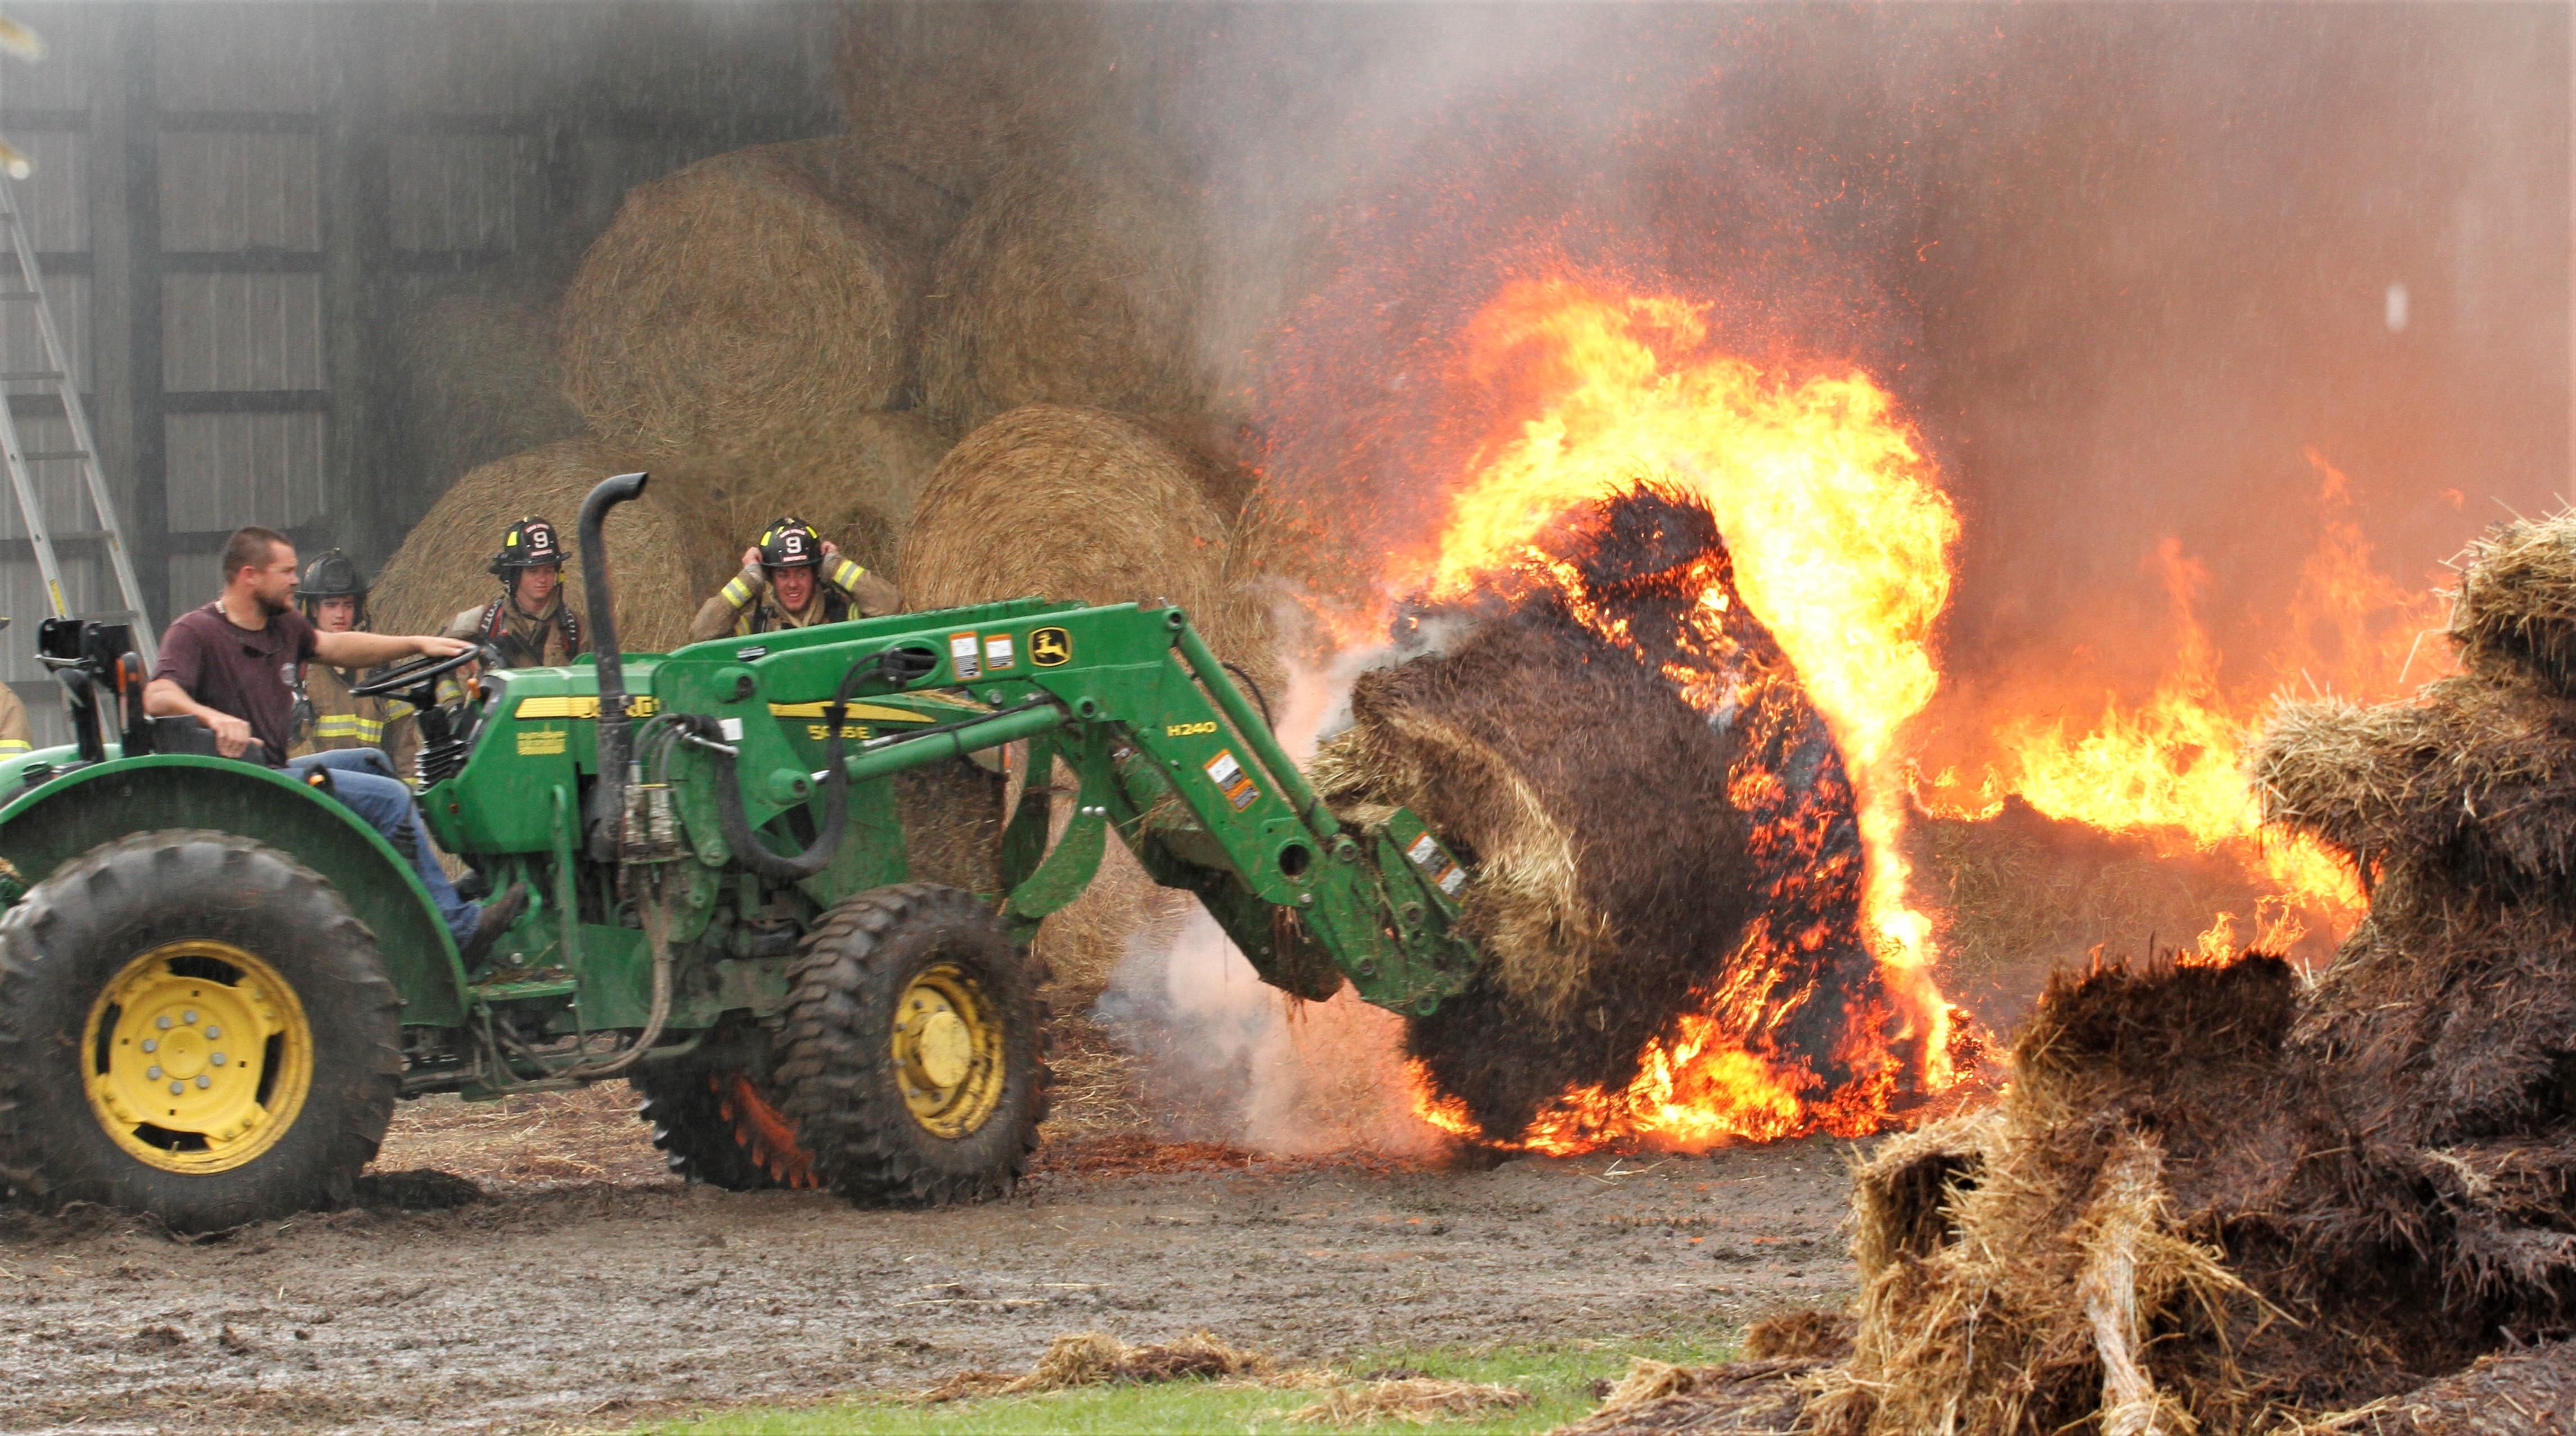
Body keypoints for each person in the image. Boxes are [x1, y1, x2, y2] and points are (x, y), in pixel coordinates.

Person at [144, 526, 527, 960]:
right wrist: (213, 717)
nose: (294, 580)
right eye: (285, 571)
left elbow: (338, 646)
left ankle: (422, 904)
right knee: (388, 800)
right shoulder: (195, 632)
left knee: (373, 762)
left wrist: (417, 643)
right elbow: (158, 695)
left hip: (269, 774)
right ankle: (459, 933)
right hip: (246, 789)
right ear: (249, 576)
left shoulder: (281, 628)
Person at [287, 548, 418, 775]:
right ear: (314, 609)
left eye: (348, 605)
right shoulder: (297, 670)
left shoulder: (380, 666)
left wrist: (410, 795)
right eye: (331, 605)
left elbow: (405, 745)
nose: (341, 614)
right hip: (318, 790)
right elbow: (281, 750)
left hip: (374, 788)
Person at [688, 515, 900, 642]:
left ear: (816, 573)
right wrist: (748, 581)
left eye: (801, 573)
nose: (792, 584)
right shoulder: (756, 627)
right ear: (769, 577)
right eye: (783, 575)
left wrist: (836, 567)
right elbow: (703, 633)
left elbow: (890, 605)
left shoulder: (847, 615)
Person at [442, 515, 584, 669]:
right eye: (532, 571)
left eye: (549, 570)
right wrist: (453, 694)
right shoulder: (481, 624)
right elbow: (438, 662)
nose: (542, 579)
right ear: (514, 574)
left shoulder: (576, 630)